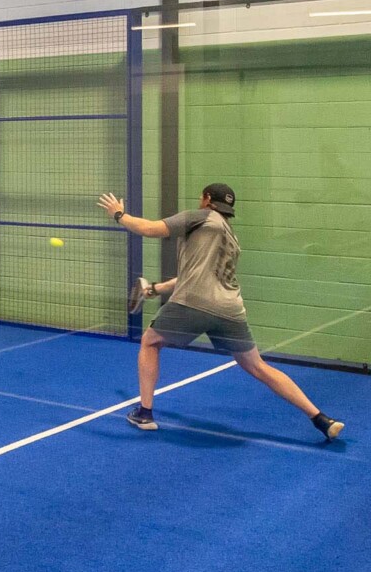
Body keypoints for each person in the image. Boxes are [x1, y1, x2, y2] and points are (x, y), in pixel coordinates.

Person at [99, 183, 343, 440]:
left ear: (206, 199)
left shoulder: (198, 217)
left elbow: (149, 229)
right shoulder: (230, 236)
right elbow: (194, 275)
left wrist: (119, 215)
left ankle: (145, 413)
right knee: (258, 366)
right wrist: (156, 289)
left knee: (150, 342)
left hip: (194, 303)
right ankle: (321, 419)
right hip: (230, 309)